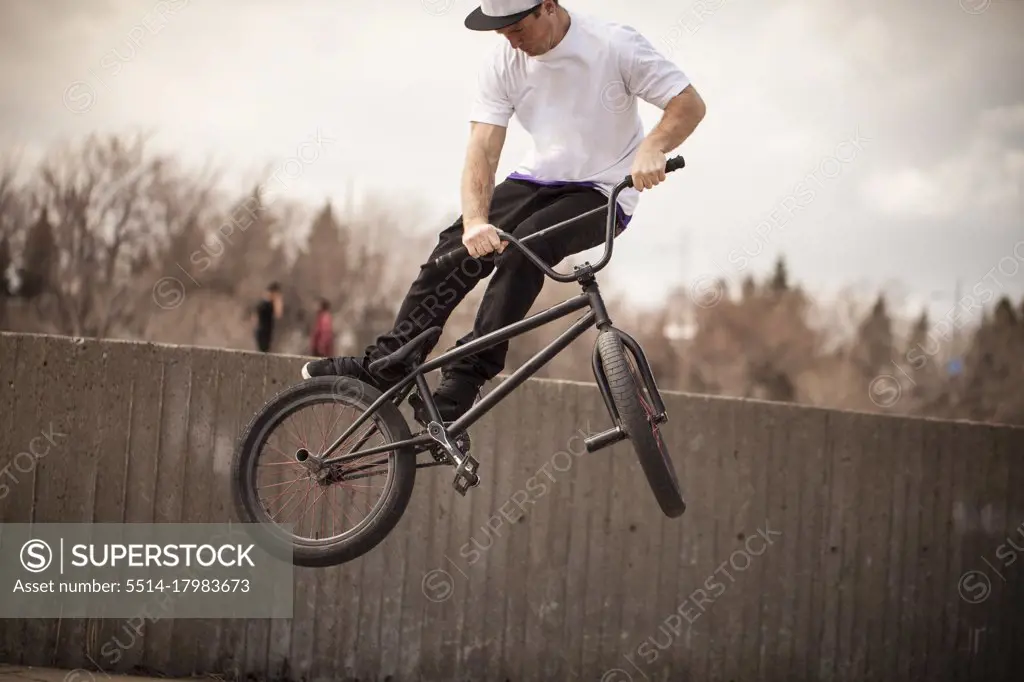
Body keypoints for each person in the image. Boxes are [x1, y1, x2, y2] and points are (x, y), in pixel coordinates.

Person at [301, 0, 706, 423]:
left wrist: (653, 146)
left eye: (515, 28)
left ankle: (465, 378)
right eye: (501, 31)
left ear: (547, 7)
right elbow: (483, 147)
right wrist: (476, 221)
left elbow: (688, 103)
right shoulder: (503, 59)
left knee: (526, 248)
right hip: (536, 179)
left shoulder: (613, 44)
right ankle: (387, 366)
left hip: (603, 191)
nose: (509, 40)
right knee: (455, 249)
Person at [253, 282, 283, 353]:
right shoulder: (266, 305)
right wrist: (278, 301)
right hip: (264, 332)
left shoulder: (263, 304)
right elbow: (278, 314)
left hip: (264, 332)